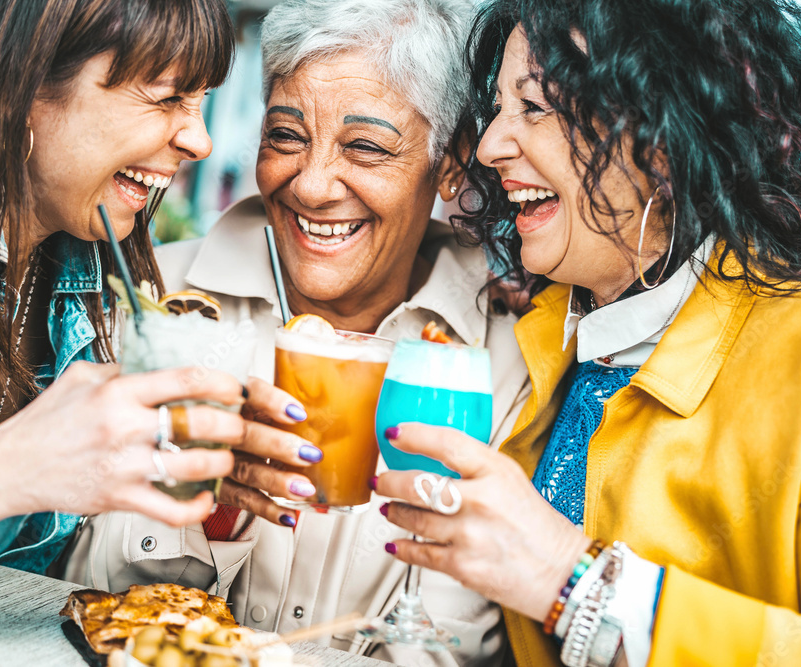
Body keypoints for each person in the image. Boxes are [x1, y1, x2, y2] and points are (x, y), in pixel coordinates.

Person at [0, 1, 305, 663]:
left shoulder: (88, 262)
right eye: (166, 97)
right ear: (26, 80)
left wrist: (177, 469)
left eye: (200, 103)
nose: (198, 140)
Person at [64, 0, 530, 664]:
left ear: (451, 160)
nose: (310, 186)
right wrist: (207, 507)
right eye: (285, 135)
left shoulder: (502, 359)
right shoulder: (153, 302)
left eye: (365, 146)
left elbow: (446, 644)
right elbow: (85, 595)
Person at [372, 0, 801, 665]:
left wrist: (573, 578)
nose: (492, 144)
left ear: (666, 138)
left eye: (534, 107)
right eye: (496, 110)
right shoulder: (541, 334)